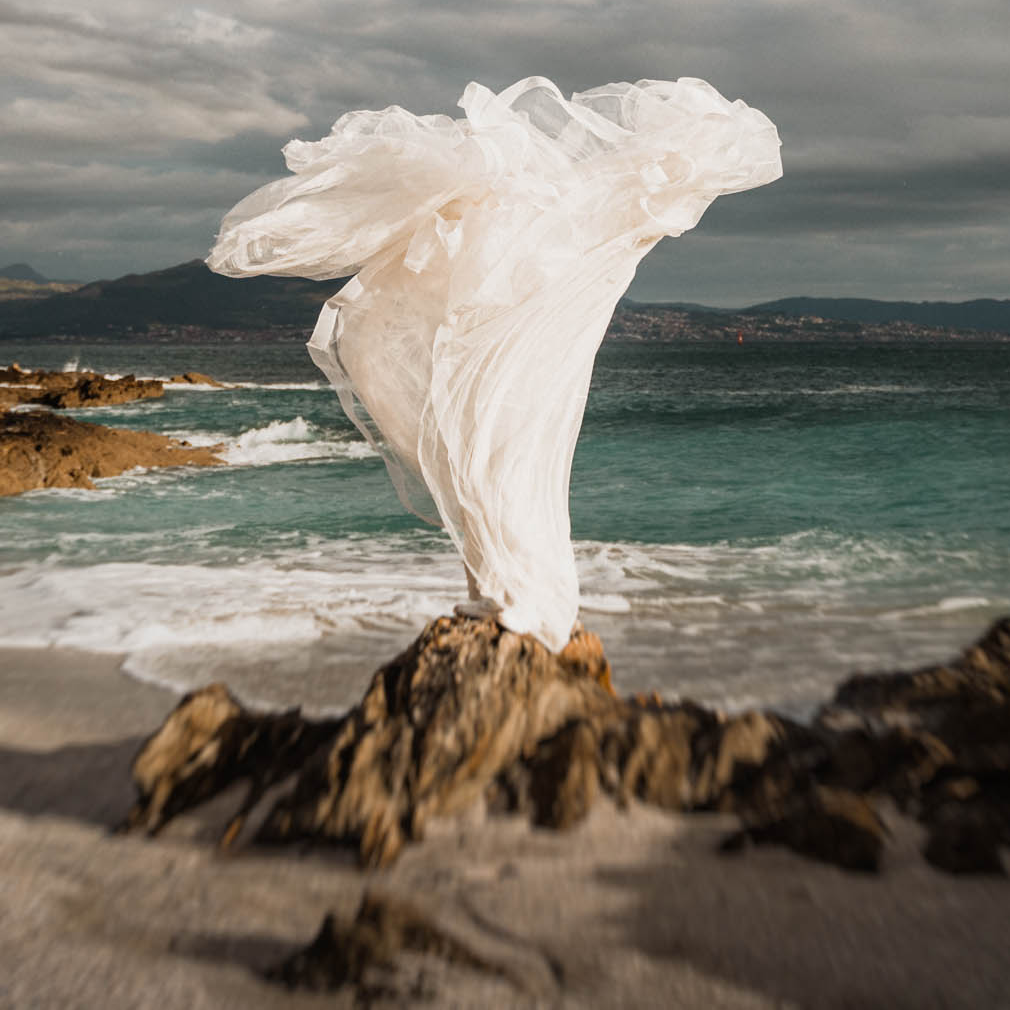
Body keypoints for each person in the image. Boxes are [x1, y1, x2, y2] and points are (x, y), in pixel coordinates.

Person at [208, 77, 781, 650]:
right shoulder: (496, 222)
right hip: (487, 357)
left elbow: (553, 266)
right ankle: (497, 588)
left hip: (522, 360)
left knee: (500, 463)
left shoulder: (561, 223)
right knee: (472, 465)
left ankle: (525, 596)